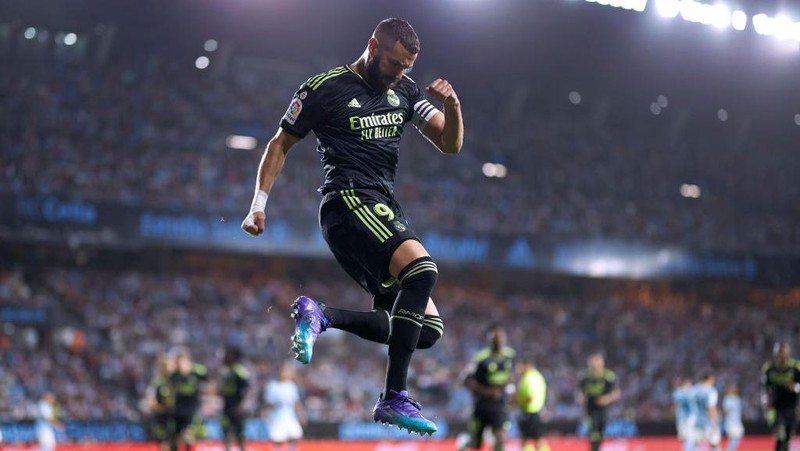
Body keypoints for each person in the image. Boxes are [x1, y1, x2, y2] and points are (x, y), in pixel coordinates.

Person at [241, 17, 463, 435]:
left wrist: (452, 106)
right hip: (348, 201)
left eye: (406, 68)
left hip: (382, 208)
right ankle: (394, 396)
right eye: (394, 63)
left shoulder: (407, 92)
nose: (399, 74)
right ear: (373, 45)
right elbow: (279, 144)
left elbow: (449, 144)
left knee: (428, 330)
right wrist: (258, 204)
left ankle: (321, 315)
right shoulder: (324, 88)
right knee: (423, 271)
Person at [458, 324, 516, 451]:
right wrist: (488, 391)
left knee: (500, 439)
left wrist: (511, 392)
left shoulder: (510, 356)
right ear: (489, 340)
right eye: (495, 338)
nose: (498, 341)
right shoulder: (481, 357)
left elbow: (512, 377)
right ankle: (464, 445)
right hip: (481, 404)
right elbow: (465, 380)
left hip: (499, 405)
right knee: (476, 443)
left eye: (501, 337)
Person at [760, 341, 800, 451]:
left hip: (791, 408)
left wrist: (795, 387)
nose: (780, 355)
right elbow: (764, 387)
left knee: (787, 438)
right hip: (775, 408)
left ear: (788, 353)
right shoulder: (769, 368)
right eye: (778, 352)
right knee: (780, 435)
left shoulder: (796, 367)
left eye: (783, 352)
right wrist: (764, 399)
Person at [168, 348, 209, 451]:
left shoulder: (197, 371)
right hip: (178, 408)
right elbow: (170, 389)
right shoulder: (174, 375)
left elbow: (208, 383)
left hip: (191, 407)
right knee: (175, 435)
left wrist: (207, 399)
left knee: (188, 433)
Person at [578, 353, 620, 451]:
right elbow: (580, 391)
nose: (594, 368)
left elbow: (616, 393)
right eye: (592, 366)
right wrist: (581, 398)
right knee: (593, 433)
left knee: (600, 434)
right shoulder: (585, 377)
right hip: (590, 410)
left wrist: (606, 399)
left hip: (602, 410)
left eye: (596, 366)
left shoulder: (608, 377)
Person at [264, 362, 305, 451]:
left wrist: (301, 414)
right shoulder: (273, 386)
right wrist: (276, 404)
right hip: (277, 417)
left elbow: (296, 402)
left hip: (290, 416)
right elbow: (267, 403)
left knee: (295, 435)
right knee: (277, 438)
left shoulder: (291, 386)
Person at [220, 346, 250, 451]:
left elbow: (248, 389)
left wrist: (242, 405)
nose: (224, 357)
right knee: (226, 434)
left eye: (226, 355)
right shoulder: (225, 372)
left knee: (240, 436)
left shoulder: (240, 372)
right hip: (227, 408)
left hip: (237, 409)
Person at [516, 357, 550, 451]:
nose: (518, 369)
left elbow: (530, 397)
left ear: (526, 366)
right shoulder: (536, 376)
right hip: (537, 411)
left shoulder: (529, 378)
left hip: (531, 411)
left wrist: (517, 403)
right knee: (537, 439)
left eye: (520, 366)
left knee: (529, 440)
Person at [146, 353, 176, 451]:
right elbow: (151, 401)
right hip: (162, 418)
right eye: (167, 366)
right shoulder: (156, 383)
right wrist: (163, 408)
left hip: (175, 417)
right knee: (164, 443)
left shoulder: (176, 381)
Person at [691, 370, 721, 451]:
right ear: (709, 379)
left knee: (696, 445)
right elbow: (711, 408)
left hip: (695, 421)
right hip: (707, 422)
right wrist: (714, 423)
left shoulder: (694, 389)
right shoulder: (711, 391)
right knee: (714, 444)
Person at [672, 377, 697, 451]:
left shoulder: (677, 393)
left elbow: (675, 405)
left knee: (685, 438)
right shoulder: (690, 393)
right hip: (690, 418)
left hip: (680, 418)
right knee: (691, 438)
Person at [722, 384, 744, 451]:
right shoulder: (728, 399)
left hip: (737, 421)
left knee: (738, 436)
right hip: (731, 422)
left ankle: (730, 449)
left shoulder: (737, 399)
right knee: (734, 436)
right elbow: (726, 410)